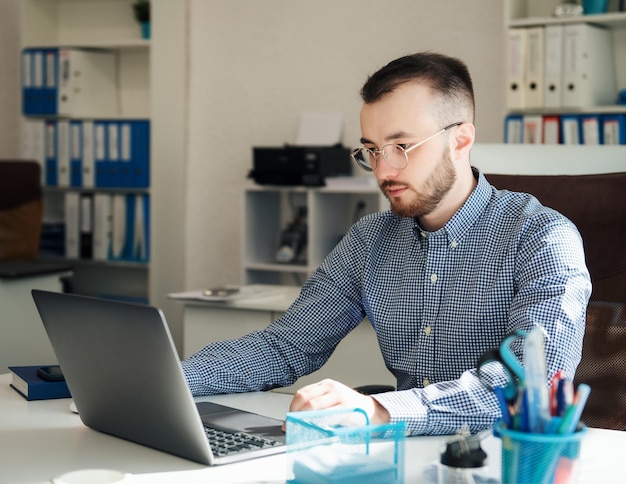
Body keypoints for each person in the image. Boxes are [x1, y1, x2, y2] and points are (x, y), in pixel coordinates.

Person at [182, 52, 591, 436]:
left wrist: (377, 410)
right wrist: (169, 380)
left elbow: (532, 381)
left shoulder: (542, 237)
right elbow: (286, 346)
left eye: (401, 147)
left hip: (508, 459)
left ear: (460, 140)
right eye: (372, 150)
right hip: (399, 455)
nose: (383, 170)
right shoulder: (369, 239)